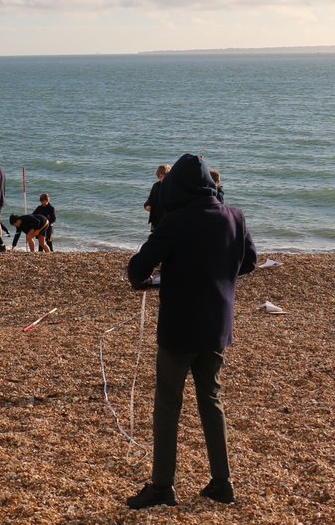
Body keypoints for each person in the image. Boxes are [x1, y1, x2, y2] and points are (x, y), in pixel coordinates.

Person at [125, 154, 257, 510]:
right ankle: (222, 483)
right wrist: (219, 278)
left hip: (180, 326)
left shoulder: (175, 221)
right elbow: (249, 262)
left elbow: (137, 268)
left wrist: (153, 280)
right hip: (216, 324)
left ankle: (162, 486)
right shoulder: (235, 217)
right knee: (211, 402)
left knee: (168, 405)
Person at [144, 164, 171, 231]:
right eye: (160, 177)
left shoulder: (173, 186)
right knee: (156, 237)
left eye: (163, 176)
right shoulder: (156, 185)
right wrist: (147, 205)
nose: (161, 179)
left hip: (168, 218)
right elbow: (150, 199)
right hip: (156, 218)